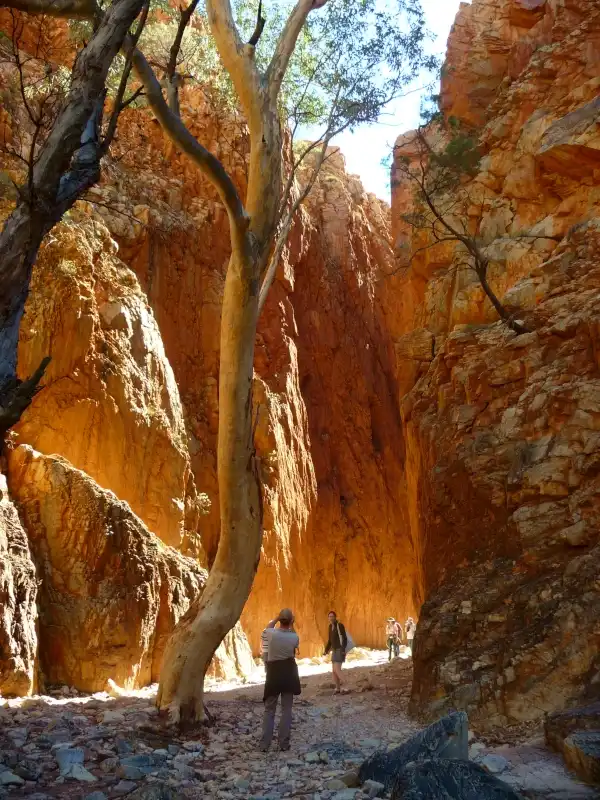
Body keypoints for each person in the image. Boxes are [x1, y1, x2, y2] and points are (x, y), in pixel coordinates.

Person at [260, 608, 301, 752]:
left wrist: (276, 618)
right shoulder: (293, 637)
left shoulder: (270, 634)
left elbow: (268, 627)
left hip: (273, 673)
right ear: (291, 621)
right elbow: (295, 638)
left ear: (280, 620)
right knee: (286, 710)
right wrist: (292, 624)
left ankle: (265, 744)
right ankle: (283, 743)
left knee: (269, 710)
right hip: (289, 673)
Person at [324, 610, 347, 694]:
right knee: (334, 671)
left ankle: (346, 686)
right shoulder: (330, 627)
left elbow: (344, 638)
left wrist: (343, 650)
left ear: (335, 617)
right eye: (329, 616)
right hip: (334, 650)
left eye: (332, 616)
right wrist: (326, 651)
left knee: (337, 669)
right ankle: (337, 688)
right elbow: (330, 640)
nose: (331, 618)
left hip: (339, 649)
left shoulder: (339, 625)